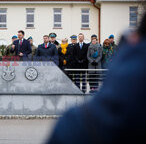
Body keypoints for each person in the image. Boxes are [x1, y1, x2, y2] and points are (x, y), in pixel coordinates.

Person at [47, 13, 146, 144]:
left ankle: (87, 89)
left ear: (134, 39)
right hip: (79, 64)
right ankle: (79, 89)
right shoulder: (71, 46)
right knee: (78, 78)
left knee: (90, 78)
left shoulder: (75, 123)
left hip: (90, 65)